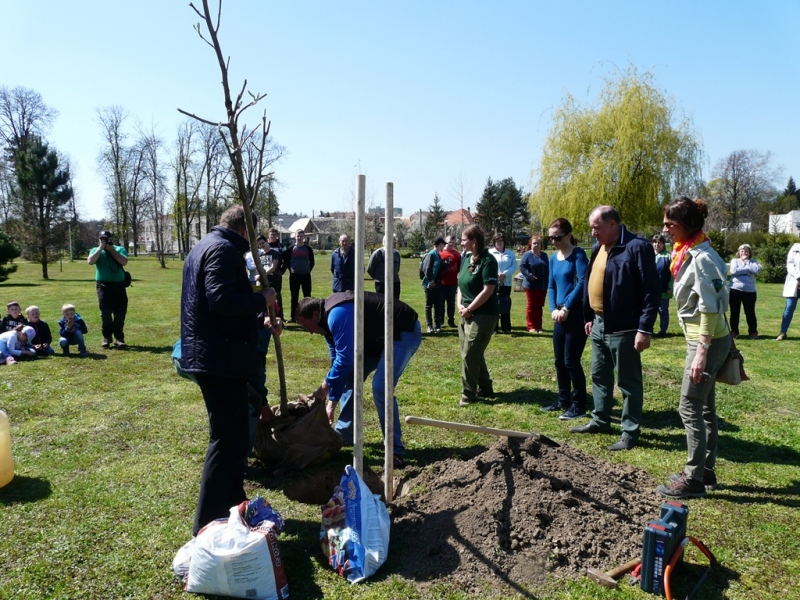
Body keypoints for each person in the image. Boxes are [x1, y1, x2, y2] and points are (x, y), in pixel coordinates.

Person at [180, 204, 275, 536]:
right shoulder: (221, 250)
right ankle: (207, 524)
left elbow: (219, 302)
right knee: (226, 438)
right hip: (218, 358)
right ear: (246, 230)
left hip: (219, 355)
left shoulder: (208, 245)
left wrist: (256, 316)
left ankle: (235, 505)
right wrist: (262, 298)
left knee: (234, 437)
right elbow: (221, 300)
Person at [657, 197, 731, 499]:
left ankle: (693, 478)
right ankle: (706, 469)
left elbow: (710, 307)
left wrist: (701, 351)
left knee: (688, 405)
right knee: (705, 406)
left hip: (707, 340)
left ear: (687, 226)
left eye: (670, 224)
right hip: (708, 339)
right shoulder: (688, 252)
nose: (664, 229)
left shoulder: (700, 258)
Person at [296, 291, 421, 468]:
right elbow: (338, 365)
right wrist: (332, 402)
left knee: (381, 387)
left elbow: (345, 359)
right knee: (349, 376)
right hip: (376, 340)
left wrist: (323, 389)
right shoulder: (326, 324)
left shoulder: (336, 315)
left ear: (315, 315)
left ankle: (395, 450)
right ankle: (344, 434)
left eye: (306, 326)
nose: (308, 332)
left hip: (402, 332)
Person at [571, 206, 660, 451]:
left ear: (612, 224)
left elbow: (651, 291)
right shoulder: (599, 247)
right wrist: (589, 315)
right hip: (599, 324)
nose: (593, 233)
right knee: (599, 375)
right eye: (592, 228)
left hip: (625, 327)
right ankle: (600, 420)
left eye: (597, 228)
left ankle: (630, 432)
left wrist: (644, 328)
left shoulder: (636, 247)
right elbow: (591, 280)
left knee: (628, 382)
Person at [544, 219, 589, 420]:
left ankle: (579, 405)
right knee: (559, 361)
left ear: (569, 235)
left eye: (557, 237)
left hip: (575, 314)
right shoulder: (553, 259)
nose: (554, 241)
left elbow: (582, 282)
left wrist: (567, 307)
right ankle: (563, 400)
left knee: (571, 360)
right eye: (550, 237)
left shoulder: (578, 255)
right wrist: (554, 308)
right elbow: (551, 286)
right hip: (559, 315)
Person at [457, 225, 499, 406]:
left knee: (470, 354)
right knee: (473, 353)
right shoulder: (466, 258)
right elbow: (460, 284)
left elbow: (488, 290)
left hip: (483, 315)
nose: (461, 242)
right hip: (465, 313)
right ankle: (486, 387)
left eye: (464, 239)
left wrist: (470, 309)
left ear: (474, 241)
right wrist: (459, 304)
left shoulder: (488, 261)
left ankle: (468, 394)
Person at [87, 229, 128, 348]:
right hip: (103, 286)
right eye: (101, 239)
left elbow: (124, 262)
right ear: (99, 239)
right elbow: (90, 261)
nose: (104, 241)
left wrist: (112, 250)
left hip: (119, 286)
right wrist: (100, 248)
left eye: (106, 239)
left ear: (111, 239)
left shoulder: (119, 249)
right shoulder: (95, 250)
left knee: (120, 312)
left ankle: (119, 338)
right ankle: (107, 337)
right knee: (105, 312)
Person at [728, 243, 761, 340]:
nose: (744, 253)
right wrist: (747, 269)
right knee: (734, 312)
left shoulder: (753, 262)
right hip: (735, 290)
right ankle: (734, 331)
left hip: (750, 291)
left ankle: (753, 332)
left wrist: (745, 265)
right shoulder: (734, 261)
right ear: (738, 252)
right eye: (742, 251)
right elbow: (733, 271)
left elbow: (756, 270)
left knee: (750, 312)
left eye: (746, 251)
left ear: (749, 253)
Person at [519, 235, 549, 333]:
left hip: (543, 285)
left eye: (538, 243)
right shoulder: (527, 255)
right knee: (531, 306)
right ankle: (531, 326)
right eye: (534, 243)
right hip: (531, 285)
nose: (536, 245)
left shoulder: (544, 255)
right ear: (530, 245)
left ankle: (539, 326)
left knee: (539, 306)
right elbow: (522, 267)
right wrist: (529, 275)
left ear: (541, 245)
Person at [489, 233, 517, 334]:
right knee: (493, 305)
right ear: (494, 242)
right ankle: (493, 328)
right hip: (493, 283)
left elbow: (514, 266)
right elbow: (488, 266)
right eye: (497, 241)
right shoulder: (490, 253)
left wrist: (504, 274)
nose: (499, 243)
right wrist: (496, 275)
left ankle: (506, 327)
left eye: (501, 241)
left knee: (505, 304)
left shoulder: (510, 253)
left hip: (506, 283)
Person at [284, 229, 315, 321]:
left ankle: (308, 315)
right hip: (294, 276)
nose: (299, 238)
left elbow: (312, 262)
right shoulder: (291, 249)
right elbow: (287, 261)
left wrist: (308, 270)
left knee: (307, 296)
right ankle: (293, 317)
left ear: (303, 237)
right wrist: (291, 270)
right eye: (298, 236)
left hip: (306, 276)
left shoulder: (308, 249)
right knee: (294, 296)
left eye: (301, 236)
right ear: (295, 236)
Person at [422, 237, 447, 333]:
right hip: (430, 284)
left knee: (438, 305)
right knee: (429, 305)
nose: (444, 247)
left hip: (438, 283)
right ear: (439, 244)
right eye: (443, 245)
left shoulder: (438, 255)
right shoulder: (431, 255)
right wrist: (431, 281)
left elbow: (440, 269)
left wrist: (446, 265)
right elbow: (427, 269)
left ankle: (437, 325)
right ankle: (429, 326)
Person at [777, 242, 800, 340]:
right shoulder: (794, 248)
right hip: (794, 283)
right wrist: (798, 277)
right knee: (789, 309)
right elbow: (790, 265)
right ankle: (783, 332)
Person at [439, 235, 462, 328]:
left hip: (452, 283)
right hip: (442, 283)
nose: (451, 244)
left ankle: (451, 320)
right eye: (449, 242)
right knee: (440, 303)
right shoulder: (441, 253)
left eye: (453, 242)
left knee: (451, 303)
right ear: (445, 242)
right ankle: (440, 321)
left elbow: (460, 268)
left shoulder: (457, 254)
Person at [652, 234, 673, 337]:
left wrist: (670, 286)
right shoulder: (649, 255)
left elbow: (672, 274)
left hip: (664, 289)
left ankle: (662, 331)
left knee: (662, 310)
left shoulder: (668, 256)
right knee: (650, 310)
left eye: (659, 242)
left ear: (663, 244)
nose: (657, 244)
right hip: (650, 289)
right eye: (655, 242)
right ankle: (648, 330)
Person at [266, 228, 286, 313]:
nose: (273, 236)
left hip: (276, 275)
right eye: (271, 234)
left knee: (277, 295)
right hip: (266, 274)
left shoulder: (281, 246)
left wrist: (282, 271)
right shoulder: (265, 246)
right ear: (268, 235)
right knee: (266, 293)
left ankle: (280, 315)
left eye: (274, 235)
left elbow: (286, 260)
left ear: (277, 236)